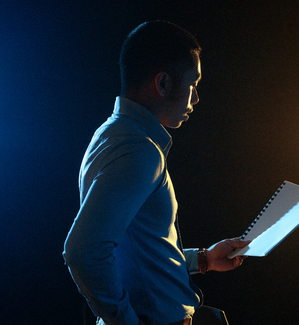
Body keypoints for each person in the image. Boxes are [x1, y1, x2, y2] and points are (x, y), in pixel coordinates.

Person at [63, 21, 250, 325]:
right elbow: (83, 251)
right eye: (193, 86)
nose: (196, 99)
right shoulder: (138, 150)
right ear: (163, 84)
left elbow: (134, 250)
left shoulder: (112, 134)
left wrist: (203, 259)